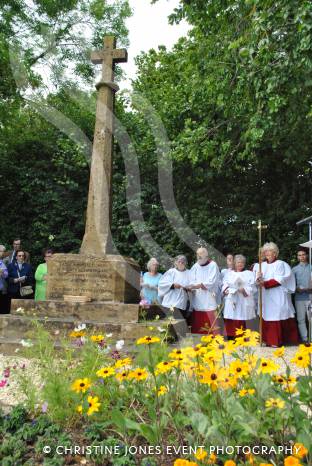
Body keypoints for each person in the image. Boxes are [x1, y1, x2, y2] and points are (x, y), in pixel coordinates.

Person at [255, 242, 299, 347]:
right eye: (265, 252)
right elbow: (256, 281)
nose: (267, 254)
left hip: (277, 294)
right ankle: (268, 340)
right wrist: (258, 279)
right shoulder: (262, 265)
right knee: (267, 315)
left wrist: (264, 283)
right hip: (266, 295)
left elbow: (280, 279)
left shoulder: (281, 264)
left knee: (278, 314)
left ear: (275, 253)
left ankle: (278, 341)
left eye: (269, 251)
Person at [222, 254, 256, 339]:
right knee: (231, 316)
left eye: (241, 262)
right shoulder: (229, 274)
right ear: (234, 263)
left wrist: (244, 290)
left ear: (244, 264)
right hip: (232, 298)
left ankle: (243, 337)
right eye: (238, 262)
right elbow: (225, 284)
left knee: (242, 316)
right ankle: (231, 336)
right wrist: (226, 290)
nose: (239, 264)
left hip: (243, 299)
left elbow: (252, 287)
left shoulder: (249, 274)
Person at [189, 247, 221, 335]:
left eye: (201, 255)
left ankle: (213, 340)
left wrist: (199, 285)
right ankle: (198, 339)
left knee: (211, 323)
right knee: (198, 324)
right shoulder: (195, 266)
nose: (198, 257)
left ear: (206, 256)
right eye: (197, 255)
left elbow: (212, 281)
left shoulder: (213, 265)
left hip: (209, 297)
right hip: (198, 297)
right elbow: (191, 279)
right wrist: (193, 286)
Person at [158, 255, 191, 323]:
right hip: (170, 301)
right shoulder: (171, 272)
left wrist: (189, 288)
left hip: (182, 303)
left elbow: (193, 285)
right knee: (167, 323)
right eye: (179, 261)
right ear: (175, 263)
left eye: (183, 262)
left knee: (179, 323)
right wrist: (173, 285)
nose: (181, 263)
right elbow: (162, 284)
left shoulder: (189, 273)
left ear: (186, 263)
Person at [292, 248, 311, 343]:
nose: (301, 257)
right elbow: (290, 284)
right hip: (299, 297)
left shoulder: (311, 267)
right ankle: (305, 338)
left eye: (303, 254)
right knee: (301, 319)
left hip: (310, 297)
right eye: (299, 255)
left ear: (307, 255)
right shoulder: (294, 269)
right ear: (297, 257)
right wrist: (296, 288)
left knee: (311, 318)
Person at [0, 245, 9, 314]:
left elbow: (6, 275)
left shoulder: (1, 262)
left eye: (3, 252)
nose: (2, 253)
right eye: (1, 251)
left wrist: (3, 273)